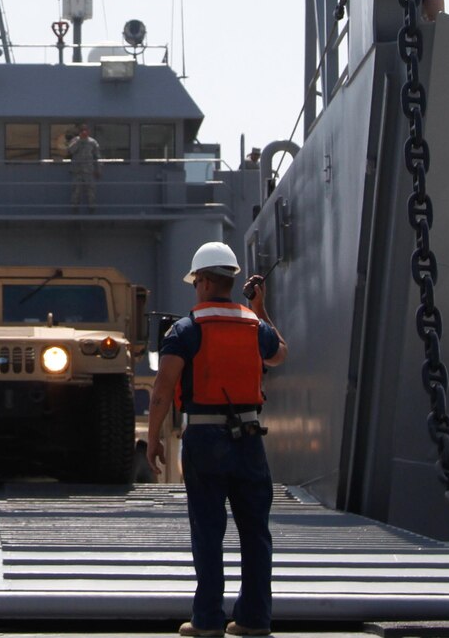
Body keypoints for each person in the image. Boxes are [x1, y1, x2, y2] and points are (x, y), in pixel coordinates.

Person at [148, 242, 287, 637]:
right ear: (230, 280)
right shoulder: (254, 327)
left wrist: (154, 437)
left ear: (205, 281)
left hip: (205, 438)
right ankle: (254, 620)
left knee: (208, 530)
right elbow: (279, 354)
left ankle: (208, 621)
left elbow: (163, 388)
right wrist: (259, 310)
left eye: (196, 282)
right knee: (255, 532)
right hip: (249, 438)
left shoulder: (185, 330)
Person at [65, 123, 101, 212]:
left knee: (91, 193)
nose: (84, 132)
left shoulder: (93, 142)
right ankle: (74, 214)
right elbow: (70, 151)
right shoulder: (75, 141)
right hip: (77, 171)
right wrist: (79, 141)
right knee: (75, 194)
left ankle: (92, 212)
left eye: (86, 130)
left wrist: (98, 169)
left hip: (88, 172)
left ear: (88, 131)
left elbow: (97, 156)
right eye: (82, 130)